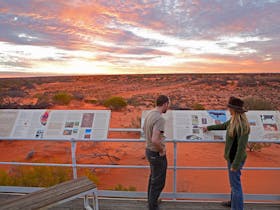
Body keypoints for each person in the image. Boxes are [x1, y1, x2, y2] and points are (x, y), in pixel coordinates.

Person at [203, 96, 250, 210]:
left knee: (236, 186)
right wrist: (209, 127)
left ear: (234, 109)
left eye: (230, 108)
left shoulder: (243, 125)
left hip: (235, 159)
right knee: (234, 184)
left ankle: (237, 208)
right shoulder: (233, 120)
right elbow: (223, 126)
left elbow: (241, 147)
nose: (228, 109)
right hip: (232, 157)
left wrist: (235, 164)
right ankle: (233, 203)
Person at [143, 95, 170, 210]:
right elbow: (155, 139)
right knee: (158, 181)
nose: (168, 107)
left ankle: (151, 201)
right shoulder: (159, 118)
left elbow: (144, 129)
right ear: (165, 104)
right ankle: (153, 206)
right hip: (156, 153)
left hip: (149, 150)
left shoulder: (150, 113)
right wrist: (162, 150)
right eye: (168, 104)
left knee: (153, 177)